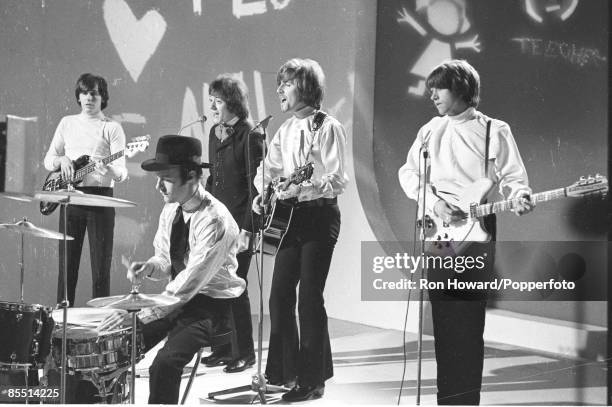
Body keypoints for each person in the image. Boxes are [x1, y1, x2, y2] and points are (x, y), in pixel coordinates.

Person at [398, 59, 534, 405]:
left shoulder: (494, 129)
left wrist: (518, 197)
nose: (432, 95)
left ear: (460, 88)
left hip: (476, 238)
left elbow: (514, 180)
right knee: (443, 325)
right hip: (438, 237)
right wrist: (433, 204)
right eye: (430, 89)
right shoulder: (430, 130)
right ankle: (447, 400)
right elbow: (409, 174)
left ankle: (465, 401)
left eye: (439, 88)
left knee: (469, 327)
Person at [99, 135, 245, 404]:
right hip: (176, 299)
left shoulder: (215, 221)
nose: (158, 186)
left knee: (164, 364)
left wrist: (140, 314)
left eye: (165, 178)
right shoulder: (171, 210)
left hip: (210, 306)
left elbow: (190, 283)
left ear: (192, 177)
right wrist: (149, 267)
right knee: (115, 346)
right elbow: (165, 259)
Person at [252, 58, 349, 402]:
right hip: (289, 218)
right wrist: (262, 193)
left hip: (319, 217)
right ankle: (283, 371)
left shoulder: (327, 126)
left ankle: (312, 380)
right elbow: (269, 168)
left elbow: (337, 180)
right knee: (279, 295)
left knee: (309, 298)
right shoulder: (286, 128)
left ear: (305, 87)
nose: (279, 90)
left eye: (287, 84)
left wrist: (306, 188)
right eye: (279, 84)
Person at [44, 73, 127, 307]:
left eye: (94, 93)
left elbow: (121, 173)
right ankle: (60, 324)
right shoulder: (67, 123)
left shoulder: (112, 127)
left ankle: (100, 329)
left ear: (102, 97)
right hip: (70, 199)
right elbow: (48, 160)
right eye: (84, 93)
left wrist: (110, 167)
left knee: (101, 269)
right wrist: (62, 161)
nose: (89, 97)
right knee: (67, 268)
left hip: (101, 200)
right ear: (78, 96)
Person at [201, 74, 263, 372]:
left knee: (237, 287)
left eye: (218, 100)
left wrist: (249, 229)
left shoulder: (250, 135)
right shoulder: (215, 132)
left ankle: (245, 353)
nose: (212, 106)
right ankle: (223, 347)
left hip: (241, 223)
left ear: (233, 102)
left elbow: (257, 188)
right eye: (211, 99)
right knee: (215, 284)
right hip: (217, 223)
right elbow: (214, 178)